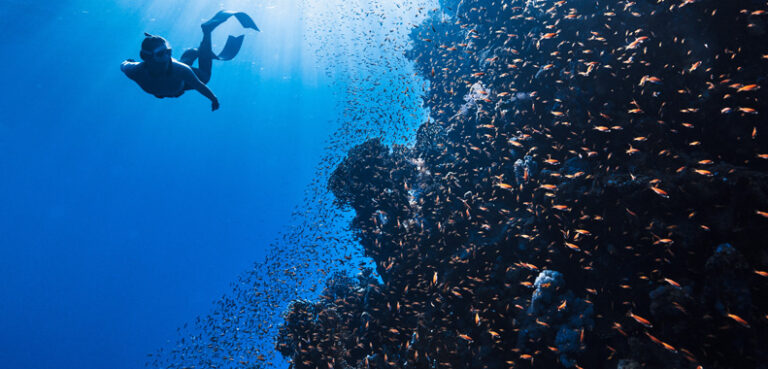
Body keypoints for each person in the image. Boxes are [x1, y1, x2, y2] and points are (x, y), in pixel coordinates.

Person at [121, 10, 259, 111]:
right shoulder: (135, 71)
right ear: (147, 57)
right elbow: (199, 86)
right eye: (161, 53)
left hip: (179, 74)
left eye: (169, 51)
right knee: (185, 65)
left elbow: (199, 85)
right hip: (179, 76)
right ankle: (197, 49)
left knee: (204, 77)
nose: (167, 56)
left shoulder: (136, 71)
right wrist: (213, 99)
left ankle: (206, 33)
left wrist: (214, 99)